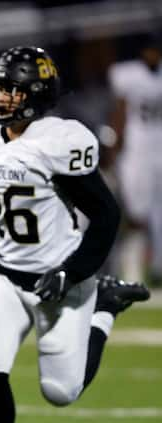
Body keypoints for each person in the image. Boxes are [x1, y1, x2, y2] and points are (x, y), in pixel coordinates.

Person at [0, 46, 150, 423]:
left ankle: (105, 309)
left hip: (60, 278)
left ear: (37, 95)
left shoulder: (60, 141)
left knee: (61, 391)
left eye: (12, 91)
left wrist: (73, 273)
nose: (1, 99)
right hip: (5, 276)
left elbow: (107, 215)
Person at [108, 33, 162, 284]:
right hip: (136, 150)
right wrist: (114, 149)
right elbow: (119, 112)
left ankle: (156, 267)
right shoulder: (127, 74)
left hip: (157, 148)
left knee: (157, 211)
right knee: (135, 212)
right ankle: (130, 269)